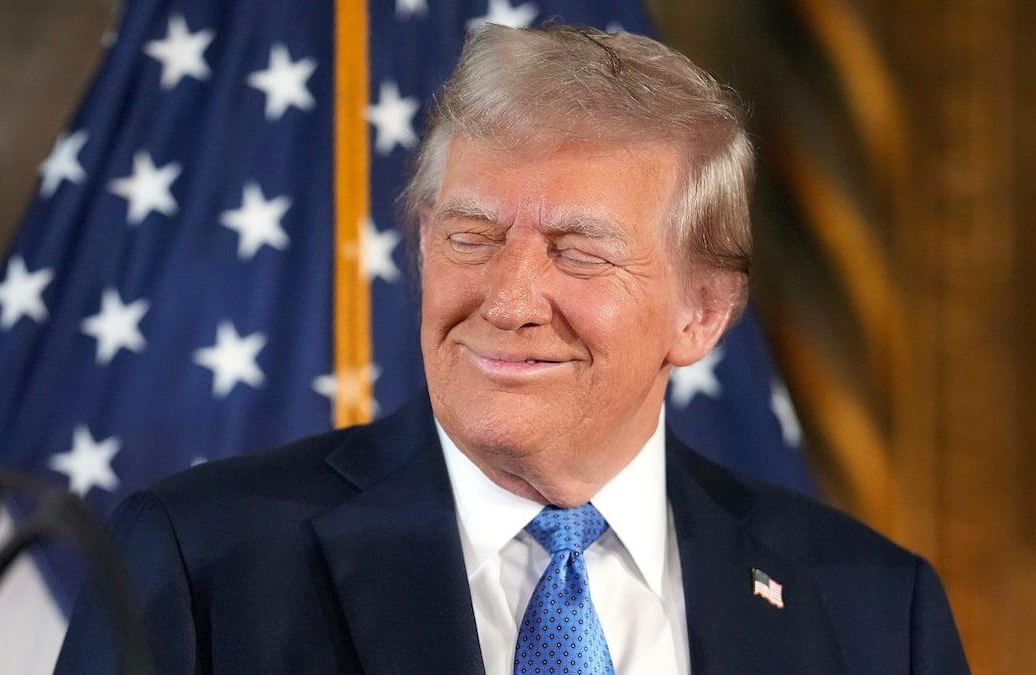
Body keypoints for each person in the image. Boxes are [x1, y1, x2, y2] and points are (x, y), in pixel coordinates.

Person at [55, 24, 968, 674]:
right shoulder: (201, 565)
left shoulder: (877, 613)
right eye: (472, 235)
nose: (509, 298)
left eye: (577, 249)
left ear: (702, 312)